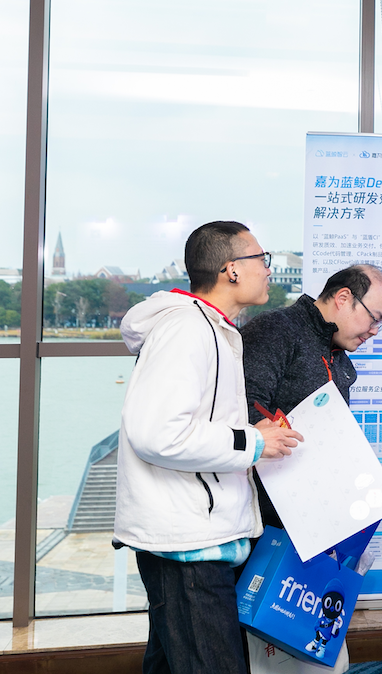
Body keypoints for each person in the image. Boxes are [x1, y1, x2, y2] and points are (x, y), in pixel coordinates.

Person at [115, 221, 302, 674]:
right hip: (189, 548)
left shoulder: (211, 328)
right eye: (262, 259)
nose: (268, 270)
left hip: (198, 540)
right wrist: (253, 441)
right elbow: (157, 432)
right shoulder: (187, 330)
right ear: (231, 270)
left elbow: (194, 424)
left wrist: (251, 432)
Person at [241, 263, 382, 528]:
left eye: (381, 323)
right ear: (343, 298)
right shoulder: (276, 330)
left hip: (315, 512)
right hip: (264, 515)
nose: (374, 331)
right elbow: (244, 409)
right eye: (374, 318)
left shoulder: (340, 359)